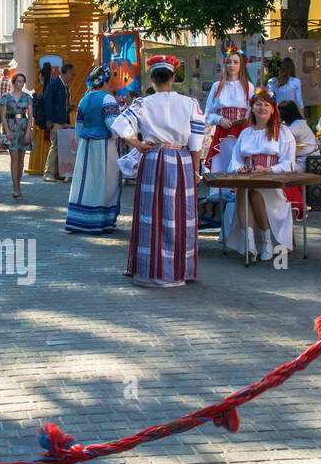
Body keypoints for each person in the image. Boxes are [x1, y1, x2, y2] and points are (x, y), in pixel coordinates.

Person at [109, 55, 205, 287]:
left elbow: (119, 125)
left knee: (151, 214)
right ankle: (180, 269)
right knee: (180, 215)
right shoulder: (190, 104)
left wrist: (137, 144)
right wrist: (195, 170)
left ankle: (149, 267)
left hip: (154, 158)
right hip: (181, 161)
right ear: (173, 78)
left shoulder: (143, 103)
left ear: (152, 78)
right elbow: (196, 142)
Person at [222, 89, 297, 261]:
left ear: (273, 109)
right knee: (244, 190)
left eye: (266, 104)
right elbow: (235, 158)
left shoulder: (283, 132)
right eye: (258, 104)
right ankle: (250, 245)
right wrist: (239, 167)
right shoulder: (246, 132)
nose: (262, 107)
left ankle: (267, 242)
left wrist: (269, 170)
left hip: (273, 184)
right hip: (248, 180)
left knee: (253, 193)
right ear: (252, 108)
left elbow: (289, 163)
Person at [66, 65, 122, 233]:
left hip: (86, 145)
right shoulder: (108, 99)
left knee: (86, 180)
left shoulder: (85, 99)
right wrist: (122, 137)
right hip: (104, 145)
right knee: (104, 181)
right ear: (105, 81)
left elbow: (79, 126)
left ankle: (80, 220)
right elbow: (114, 126)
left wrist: (81, 141)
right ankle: (100, 221)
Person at [204, 44, 254, 174]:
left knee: (239, 163)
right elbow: (208, 112)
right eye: (229, 62)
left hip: (242, 132)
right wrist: (220, 119)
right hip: (222, 133)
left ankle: (238, 193)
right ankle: (219, 193)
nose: (232, 65)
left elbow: (251, 110)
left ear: (241, 65)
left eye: (236, 62)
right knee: (221, 163)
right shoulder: (217, 86)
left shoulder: (248, 86)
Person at [0, 72, 32, 198]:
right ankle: (15, 187)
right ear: (13, 82)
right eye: (18, 81)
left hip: (23, 126)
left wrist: (28, 131)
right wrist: (7, 131)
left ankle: (19, 183)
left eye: (23, 81)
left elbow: (30, 116)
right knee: (14, 157)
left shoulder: (27, 97)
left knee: (22, 158)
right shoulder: (6, 97)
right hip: (11, 126)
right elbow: (3, 116)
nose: (21, 84)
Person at [43, 63, 74, 182]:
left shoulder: (65, 86)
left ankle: (58, 172)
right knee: (55, 146)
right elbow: (48, 101)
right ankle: (48, 172)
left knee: (62, 147)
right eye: (71, 73)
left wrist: (68, 108)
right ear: (65, 73)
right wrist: (49, 119)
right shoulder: (55, 84)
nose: (72, 76)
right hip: (56, 121)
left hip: (62, 120)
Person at [279, 101, 319, 171]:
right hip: (304, 160)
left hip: (308, 163)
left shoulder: (298, 125)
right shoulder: (297, 123)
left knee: (281, 169)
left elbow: (282, 137)